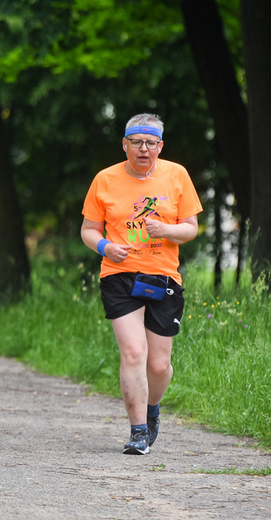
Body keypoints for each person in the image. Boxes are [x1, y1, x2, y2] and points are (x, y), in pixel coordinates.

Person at [80, 113, 202, 455]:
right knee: (134, 351)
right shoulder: (105, 179)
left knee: (159, 364)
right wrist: (106, 247)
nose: (144, 149)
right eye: (136, 142)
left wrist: (167, 231)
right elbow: (88, 231)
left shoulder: (177, 175)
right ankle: (137, 431)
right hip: (119, 275)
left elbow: (190, 227)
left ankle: (151, 410)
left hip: (163, 276)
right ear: (125, 144)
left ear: (160, 146)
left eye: (151, 143)